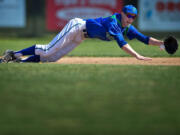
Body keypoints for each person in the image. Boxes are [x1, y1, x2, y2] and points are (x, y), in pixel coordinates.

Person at [1, 5, 165, 63]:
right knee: (48, 50)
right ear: (122, 13)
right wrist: (137, 56)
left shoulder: (128, 26)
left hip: (82, 36)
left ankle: (20, 63)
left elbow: (145, 39)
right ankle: (13, 54)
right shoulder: (113, 21)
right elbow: (122, 43)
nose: (130, 19)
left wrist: (162, 43)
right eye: (128, 15)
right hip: (77, 26)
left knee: (52, 58)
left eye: (133, 17)